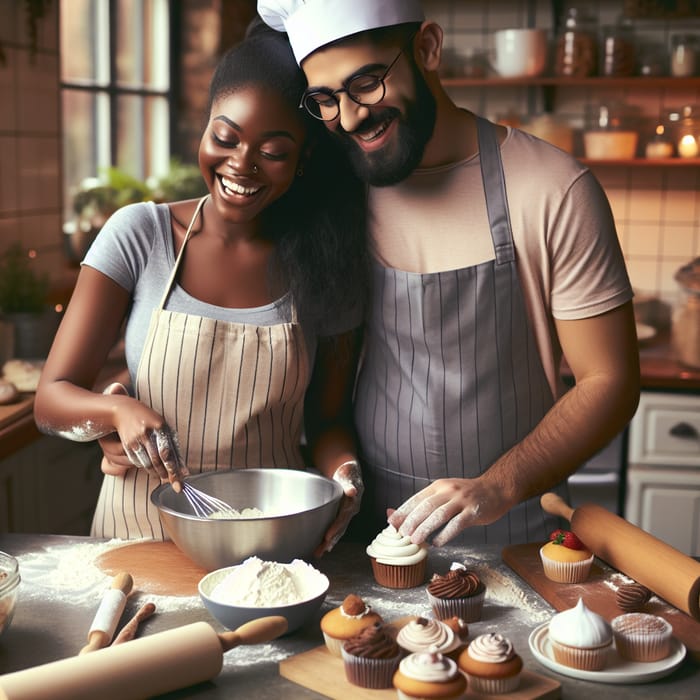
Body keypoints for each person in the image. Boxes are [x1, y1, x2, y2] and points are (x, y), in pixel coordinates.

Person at [258, 0, 641, 546]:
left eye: (366, 83)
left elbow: (611, 381)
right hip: (378, 535)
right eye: (326, 99)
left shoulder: (553, 188)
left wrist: (495, 487)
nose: (349, 117)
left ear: (427, 49)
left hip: (521, 533)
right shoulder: (340, 199)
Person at [34, 26, 368, 555]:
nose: (241, 163)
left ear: (303, 160)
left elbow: (327, 420)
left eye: (274, 151)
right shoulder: (140, 235)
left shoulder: (329, 261)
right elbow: (51, 401)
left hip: (268, 539)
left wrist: (344, 476)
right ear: (205, 128)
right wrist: (115, 413)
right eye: (225, 137)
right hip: (138, 533)